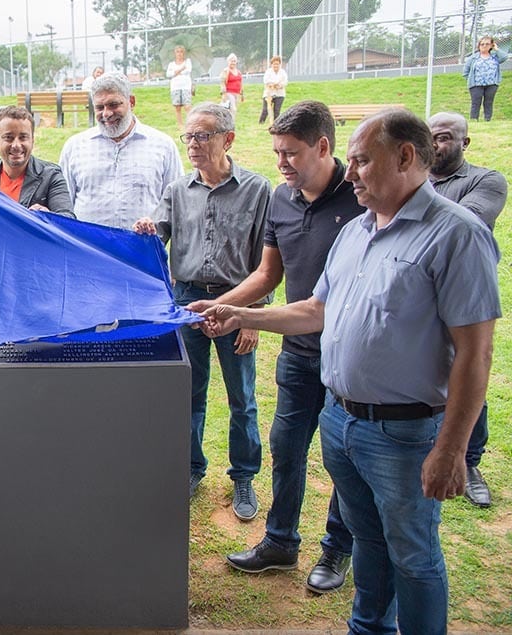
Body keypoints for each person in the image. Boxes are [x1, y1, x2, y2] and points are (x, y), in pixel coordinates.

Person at [201, 108, 500, 635]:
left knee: (413, 556)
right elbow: (315, 310)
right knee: (369, 544)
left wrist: (452, 450)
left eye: (362, 161)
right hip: (342, 422)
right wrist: (241, 315)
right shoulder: (358, 229)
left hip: (405, 433)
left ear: (405, 156)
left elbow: (476, 355)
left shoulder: (456, 234)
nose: (351, 172)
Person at [187, 101, 361, 593]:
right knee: (287, 450)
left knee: (342, 458)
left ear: (323, 147)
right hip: (298, 353)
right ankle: (280, 542)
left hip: (349, 355)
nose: (281, 163)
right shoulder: (282, 199)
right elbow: (268, 273)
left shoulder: (359, 199)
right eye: (277, 153)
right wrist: (220, 303)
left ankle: (337, 548)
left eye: (291, 153)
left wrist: (244, 316)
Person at [133, 102, 269, 521]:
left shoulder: (258, 190)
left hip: (236, 302)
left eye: (202, 135)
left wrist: (252, 316)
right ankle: (192, 468)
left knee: (241, 397)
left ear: (228, 139)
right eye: (189, 136)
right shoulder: (177, 190)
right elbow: (157, 236)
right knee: (187, 392)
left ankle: (243, 475)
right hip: (187, 301)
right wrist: (147, 229)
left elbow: (266, 259)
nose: (193, 144)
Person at [428, 111, 508, 508]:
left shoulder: (485, 180)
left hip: (464, 297)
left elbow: (464, 224)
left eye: (444, 137)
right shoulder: (416, 180)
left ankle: (469, 460)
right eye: (429, 137)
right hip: (421, 294)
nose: (435, 145)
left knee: (468, 371)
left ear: (465, 142)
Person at [59, 72, 184, 229]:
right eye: (99, 107)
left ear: (131, 102)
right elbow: (62, 207)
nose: (106, 114)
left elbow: (176, 204)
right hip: (85, 244)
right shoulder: (75, 147)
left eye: (113, 105)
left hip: (141, 244)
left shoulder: (163, 145)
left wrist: (156, 228)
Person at [0, 106, 75, 217]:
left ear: (32, 140)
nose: (16, 145)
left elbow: (68, 218)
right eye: (8, 137)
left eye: (23, 137)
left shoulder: (51, 176)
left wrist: (48, 216)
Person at [462, 35, 508, 122]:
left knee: (488, 103)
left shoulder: (495, 56)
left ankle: (487, 120)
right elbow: (465, 72)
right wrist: (470, 80)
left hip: (492, 84)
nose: (484, 46)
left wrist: (496, 49)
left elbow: (505, 57)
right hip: (476, 85)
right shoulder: (473, 58)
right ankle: (474, 119)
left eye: (487, 44)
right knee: (476, 103)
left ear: (491, 45)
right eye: (482, 44)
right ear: (479, 46)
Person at [167, 45, 193, 126]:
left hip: (185, 86)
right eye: (177, 52)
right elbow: (169, 74)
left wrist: (176, 72)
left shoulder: (187, 62)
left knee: (187, 106)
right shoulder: (171, 64)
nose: (179, 54)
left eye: (181, 52)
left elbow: (188, 70)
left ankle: (190, 123)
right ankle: (180, 125)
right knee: (177, 107)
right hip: (175, 87)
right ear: (175, 53)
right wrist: (181, 69)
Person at [258, 56, 287, 124]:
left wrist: (279, 85)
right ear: (271, 64)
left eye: (277, 64)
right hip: (269, 94)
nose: (276, 65)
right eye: (274, 64)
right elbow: (266, 81)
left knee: (276, 111)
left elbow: (284, 82)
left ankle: (276, 124)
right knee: (265, 110)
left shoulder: (283, 72)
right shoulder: (268, 72)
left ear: (280, 64)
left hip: (279, 94)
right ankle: (261, 122)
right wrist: (272, 84)